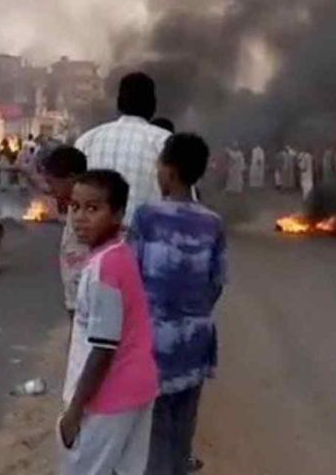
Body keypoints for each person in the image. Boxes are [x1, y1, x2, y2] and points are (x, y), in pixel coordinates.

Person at [130, 134, 226, 475]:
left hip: (154, 339)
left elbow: (131, 277)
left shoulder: (146, 216)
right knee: (183, 424)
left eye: (159, 166)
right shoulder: (213, 222)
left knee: (155, 430)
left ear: (168, 172)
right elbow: (216, 283)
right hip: (196, 338)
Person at [58, 170, 158, 475]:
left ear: (117, 214)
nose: (80, 218)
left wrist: (75, 411)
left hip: (109, 397)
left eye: (93, 208)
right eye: (75, 207)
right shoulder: (119, 255)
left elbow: (103, 348)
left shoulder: (104, 268)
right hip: (137, 388)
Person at [75, 72, 170, 225]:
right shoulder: (165, 142)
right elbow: (183, 202)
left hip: (95, 238)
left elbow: (74, 200)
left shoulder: (86, 140)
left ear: (119, 103)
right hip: (146, 237)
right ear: (153, 105)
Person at [40, 146, 89, 323]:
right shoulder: (72, 207)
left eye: (52, 183)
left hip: (86, 300)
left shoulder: (89, 215)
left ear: (72, 178)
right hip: (74, 297)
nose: (50, 189)